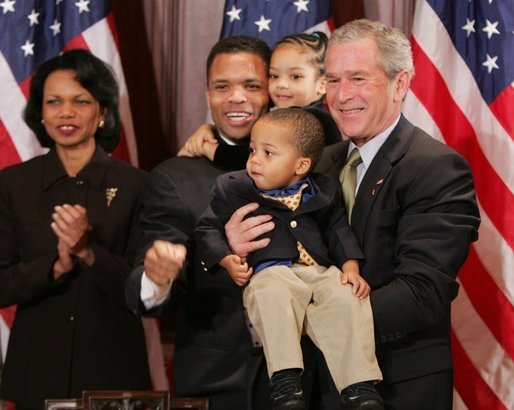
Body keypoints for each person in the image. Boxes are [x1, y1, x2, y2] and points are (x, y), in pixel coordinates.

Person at [224, 19, 481, 410]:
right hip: (308, 390)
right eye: (333, 80)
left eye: (359, 78)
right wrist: (239, 245)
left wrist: (295, 320)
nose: (342, 96)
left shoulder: (437, 168)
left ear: (400, 84)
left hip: (395, 387)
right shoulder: (317, 163)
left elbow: (422, 294)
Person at [126, 36, 318, 409]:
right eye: (222, 86)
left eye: (251, 85)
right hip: (222, 384)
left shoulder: (315, 166)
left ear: (274, 91)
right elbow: (142, 292)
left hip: (315, 380)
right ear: (207, 95)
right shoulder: (175, 178)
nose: (236, 98)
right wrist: (159, 275)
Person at [195, 108, 383, 410]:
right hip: (272, 270)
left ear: (301, 165)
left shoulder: (322, 189)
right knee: (272, 294)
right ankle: (285, 380)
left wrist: (350, 267)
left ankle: (358, 385)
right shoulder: (233, 188)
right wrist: (227, 259)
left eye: (268, 153)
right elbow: (207, 228)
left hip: (318, 269)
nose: (254, 159)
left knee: (346, 296)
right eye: (253, 149)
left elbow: (337, 230)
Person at [0, 49, 151, 409]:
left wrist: (87, 252)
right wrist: (55, 266)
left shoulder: (138, 185)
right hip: (35, 372)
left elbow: (146, 292)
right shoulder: (12, 184)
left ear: (101, 112)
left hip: (114, 373)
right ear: (40, 112)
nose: (65, 112)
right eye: (53, 102)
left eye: (80, 101)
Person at [178, 32, 341, 167]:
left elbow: (252, 159)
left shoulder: (312, 120)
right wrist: (210, 130)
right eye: (274, 76)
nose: (282, 84)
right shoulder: (299, 116)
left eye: (295, 76)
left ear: (322, 85)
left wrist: (209, 149)